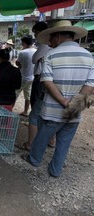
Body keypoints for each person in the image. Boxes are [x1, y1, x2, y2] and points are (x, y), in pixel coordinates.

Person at [21, 20, 94, 177]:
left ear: (59, 36)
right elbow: (90, 85)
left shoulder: (51, 55)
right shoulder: (89, 56)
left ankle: (34, 160)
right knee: (64, 142)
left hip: (52, 110)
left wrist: (63, 101)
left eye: (51, 39)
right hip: (75, 110)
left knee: (42, 137)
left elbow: (47, 82)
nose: (50, 42)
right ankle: (55, 170)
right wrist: (73, 104)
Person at [18, 22, 53, 151]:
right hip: (43, 79)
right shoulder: (52, 46)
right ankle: (51, 140)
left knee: (35, 112)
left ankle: (31, 144)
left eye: (36, 33)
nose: (35, 36)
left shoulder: (44, 45)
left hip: (41, 80)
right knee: (46, 110)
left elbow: (34, 59)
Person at [15, 35, 36, 117]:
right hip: (32, 78)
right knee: (28, 95)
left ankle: (10, 109)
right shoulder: (36, 51)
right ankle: (25, 111)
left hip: (23, 77)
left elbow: (17, 63)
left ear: (24, 43)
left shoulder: (23, 52)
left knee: (15, 94)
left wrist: (20, 65)